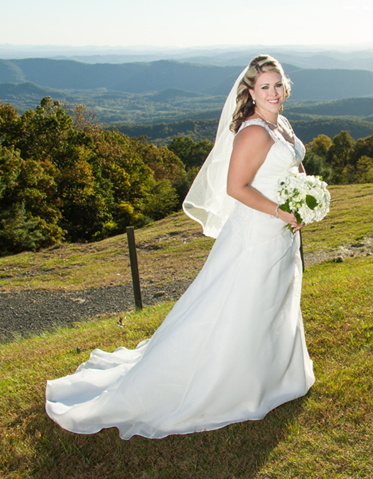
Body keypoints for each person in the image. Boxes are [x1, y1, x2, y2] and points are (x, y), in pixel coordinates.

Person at [45, 55, 315, 440]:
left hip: (281, 234)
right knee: (245, 305)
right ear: (251, 92)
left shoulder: (282, 124)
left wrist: (305, 195)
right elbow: (236, 188)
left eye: (278, 85)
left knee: (274, 301)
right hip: (258, 235)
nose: (273, 93)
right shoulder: (253, 132)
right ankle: (234, 385)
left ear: (285, 87)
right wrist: (282, 211)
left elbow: (290, 168)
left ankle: (277, 376)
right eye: (265, 87)